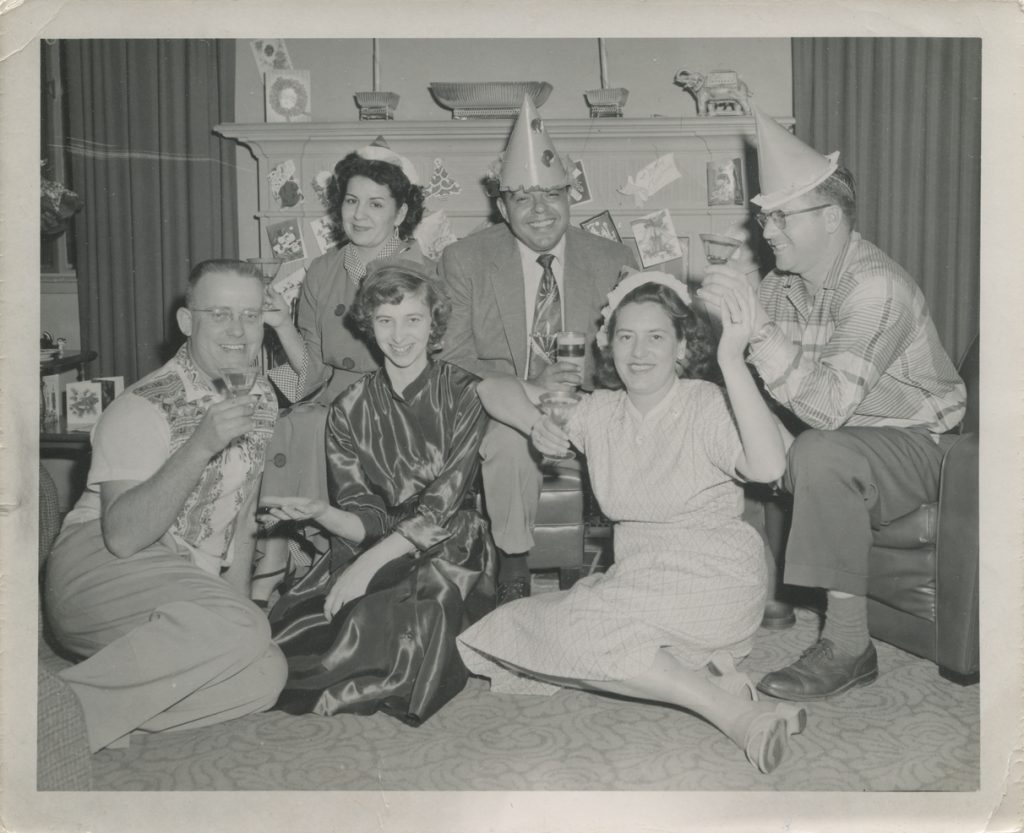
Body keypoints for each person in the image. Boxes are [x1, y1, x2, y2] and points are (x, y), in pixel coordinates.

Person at [457, 271, 806, 774]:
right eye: (626, 336)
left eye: (656, 336)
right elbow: (492, 388)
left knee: (574, 632)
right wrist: (536, 423)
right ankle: (718, 682)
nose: (638, 352)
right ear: (608, 347)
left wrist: (733, 362)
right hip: (640, 583)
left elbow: (772, 467)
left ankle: (732, 715)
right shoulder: (599, 412)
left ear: (682, 347)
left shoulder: (708, 404)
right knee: (512, 623)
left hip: (716, 579)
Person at [698, 107, 966, 701]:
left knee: (820, 452)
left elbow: (825, 412)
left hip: (926, 447)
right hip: (849, 437)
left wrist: (760, 331)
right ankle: (733, 601)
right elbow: (752, 383)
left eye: (781, 218)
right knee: (733, 430)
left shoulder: (876, 286)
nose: (767, 231)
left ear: (834, 218)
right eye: (764, 218)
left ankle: (849, 645)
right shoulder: (782, 284)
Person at [44, 260, 287, 752]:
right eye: (219, 314)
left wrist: (239, 619)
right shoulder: (142, 405)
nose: (238, 331)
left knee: (265, 672)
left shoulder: (260, 397)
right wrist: (199, 445)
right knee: (244, 628)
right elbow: (123, 536)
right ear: (186, 321)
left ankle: (98, 717)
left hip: (175, 583)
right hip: (98, 568)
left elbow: (241, 521)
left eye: (250, 315)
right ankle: (42, 716)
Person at [258, 263, 496, 725]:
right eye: (386, 320)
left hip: (451, 540)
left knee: (406, 623)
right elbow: (365, 519)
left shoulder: (466, 393)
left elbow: (441, 507)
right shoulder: (349, 407)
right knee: (308, 629)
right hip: (377, 541)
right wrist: (322, 512)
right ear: (369, 325)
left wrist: (367, 567)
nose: (400, 335)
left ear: (434, 324)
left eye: (413, 320)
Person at [438, 94, 635, 604]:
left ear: (571, 197)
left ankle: (639, 565)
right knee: (507, 442)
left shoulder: (612, 257)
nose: (540, 210)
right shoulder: (466, 259)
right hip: (506, 406)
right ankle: (514, 568)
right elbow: (453, 355)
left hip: (592, 399)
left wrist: (582, 393)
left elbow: (633, 352)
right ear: (503, 208)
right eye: (523, 197)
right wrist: (530, 387)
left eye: (551, 194)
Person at [255, 141, 430, 600]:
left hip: (401, 402)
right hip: (332, 397)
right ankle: (275, 552)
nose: (360, 214)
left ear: (401, 211)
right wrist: (280, 325)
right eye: (351, 201)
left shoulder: (422, 270)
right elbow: (310, 374)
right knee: (291, 421)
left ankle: (334, 559)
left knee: (317, 425)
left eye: (376, 203)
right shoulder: (322, 270)